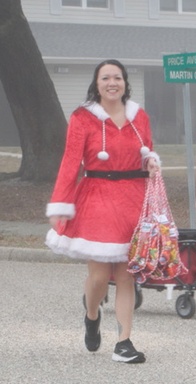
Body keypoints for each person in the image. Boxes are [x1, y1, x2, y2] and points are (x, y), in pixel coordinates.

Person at [45, 58, 160, 364]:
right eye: (106, 78)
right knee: (98, 277)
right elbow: (70, 162)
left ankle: (124, 343)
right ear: (96, 84)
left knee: (126, 276)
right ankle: (92, 313)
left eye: (118, 78)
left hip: (133, 199)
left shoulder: (139, 116)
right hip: (96, 198)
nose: (112, 83)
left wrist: (150, 162)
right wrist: (61, 204)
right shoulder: (83, 118)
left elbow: (146, 150)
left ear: (125, 83)